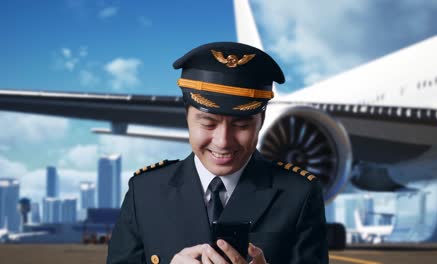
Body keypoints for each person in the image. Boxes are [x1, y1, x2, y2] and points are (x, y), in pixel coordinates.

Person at [107, 42, 328, 264]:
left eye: (241, 126)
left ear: (261, 122)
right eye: (208, 123)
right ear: (186, 117)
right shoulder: (145, 192)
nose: (223, 142)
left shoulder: (299, 195)